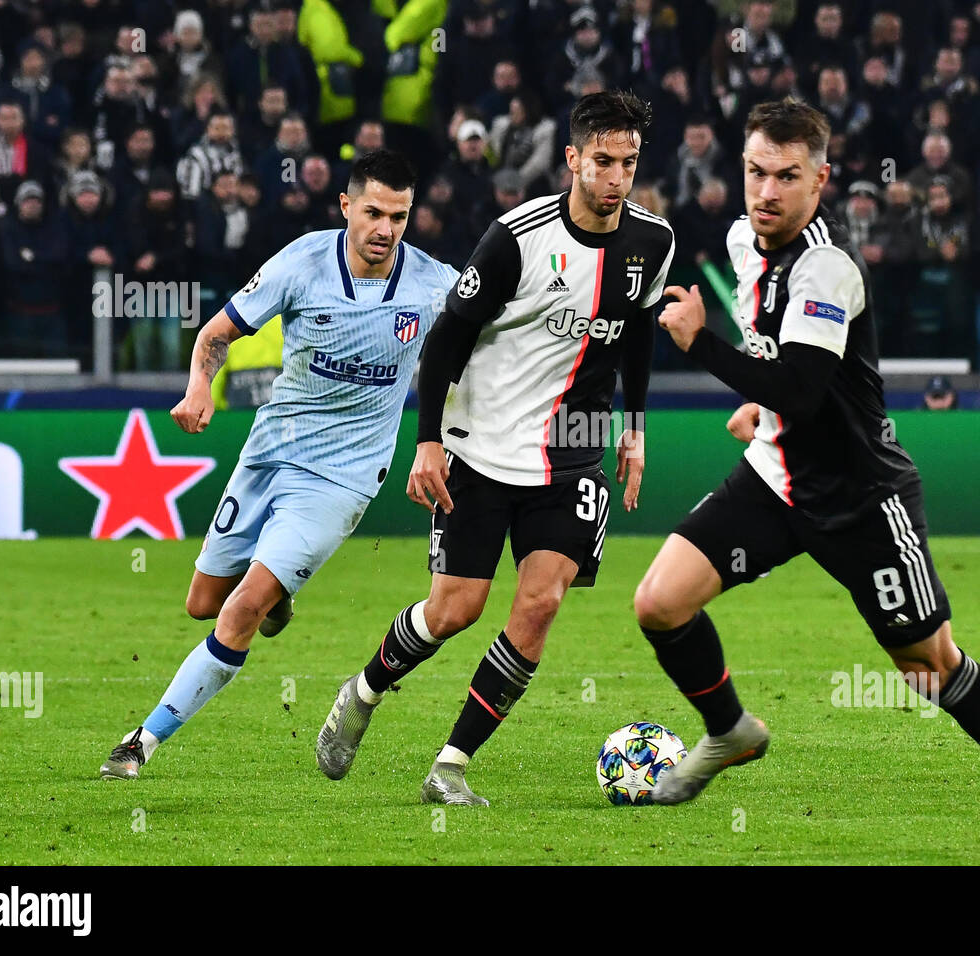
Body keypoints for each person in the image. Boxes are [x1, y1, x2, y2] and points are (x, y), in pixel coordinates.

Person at [632, 98, 980, 850]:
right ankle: (731, 728)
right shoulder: (744, 241)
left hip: (863, 495)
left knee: (926, 666)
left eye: (787, 176)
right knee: (659, 603)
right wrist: (756, 409)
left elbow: (803, 389)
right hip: (777, 477)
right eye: (755, 172)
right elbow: (782, 369)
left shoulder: (827, 268)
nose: (766, 191)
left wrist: (700, 346)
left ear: (820, 180)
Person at [315, 90, 675, 806]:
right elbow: (446, 339)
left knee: (540, 603)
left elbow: (636, 331)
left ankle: (449, 766)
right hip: (480, 446)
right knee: (454, 611)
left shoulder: (653, 242)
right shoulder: (518, 236)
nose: (615, 178)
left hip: (572, 451)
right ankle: (363, 690)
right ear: (572, 158)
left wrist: (634, 427)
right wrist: (426, 444)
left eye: (628, 163)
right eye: (602, 160)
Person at [99, 149, 459, 780]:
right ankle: (277, 601)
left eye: (399, 216)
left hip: (342, 479)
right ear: (345, 205)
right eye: (373, 211)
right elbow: (215, 334)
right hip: (270, 452)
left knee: (239, 611)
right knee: (203, 603)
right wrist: (198, 389)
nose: (386, 228)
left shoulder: (433, 284)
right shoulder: (302, 262)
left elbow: (493, 342)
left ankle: (140, 742)